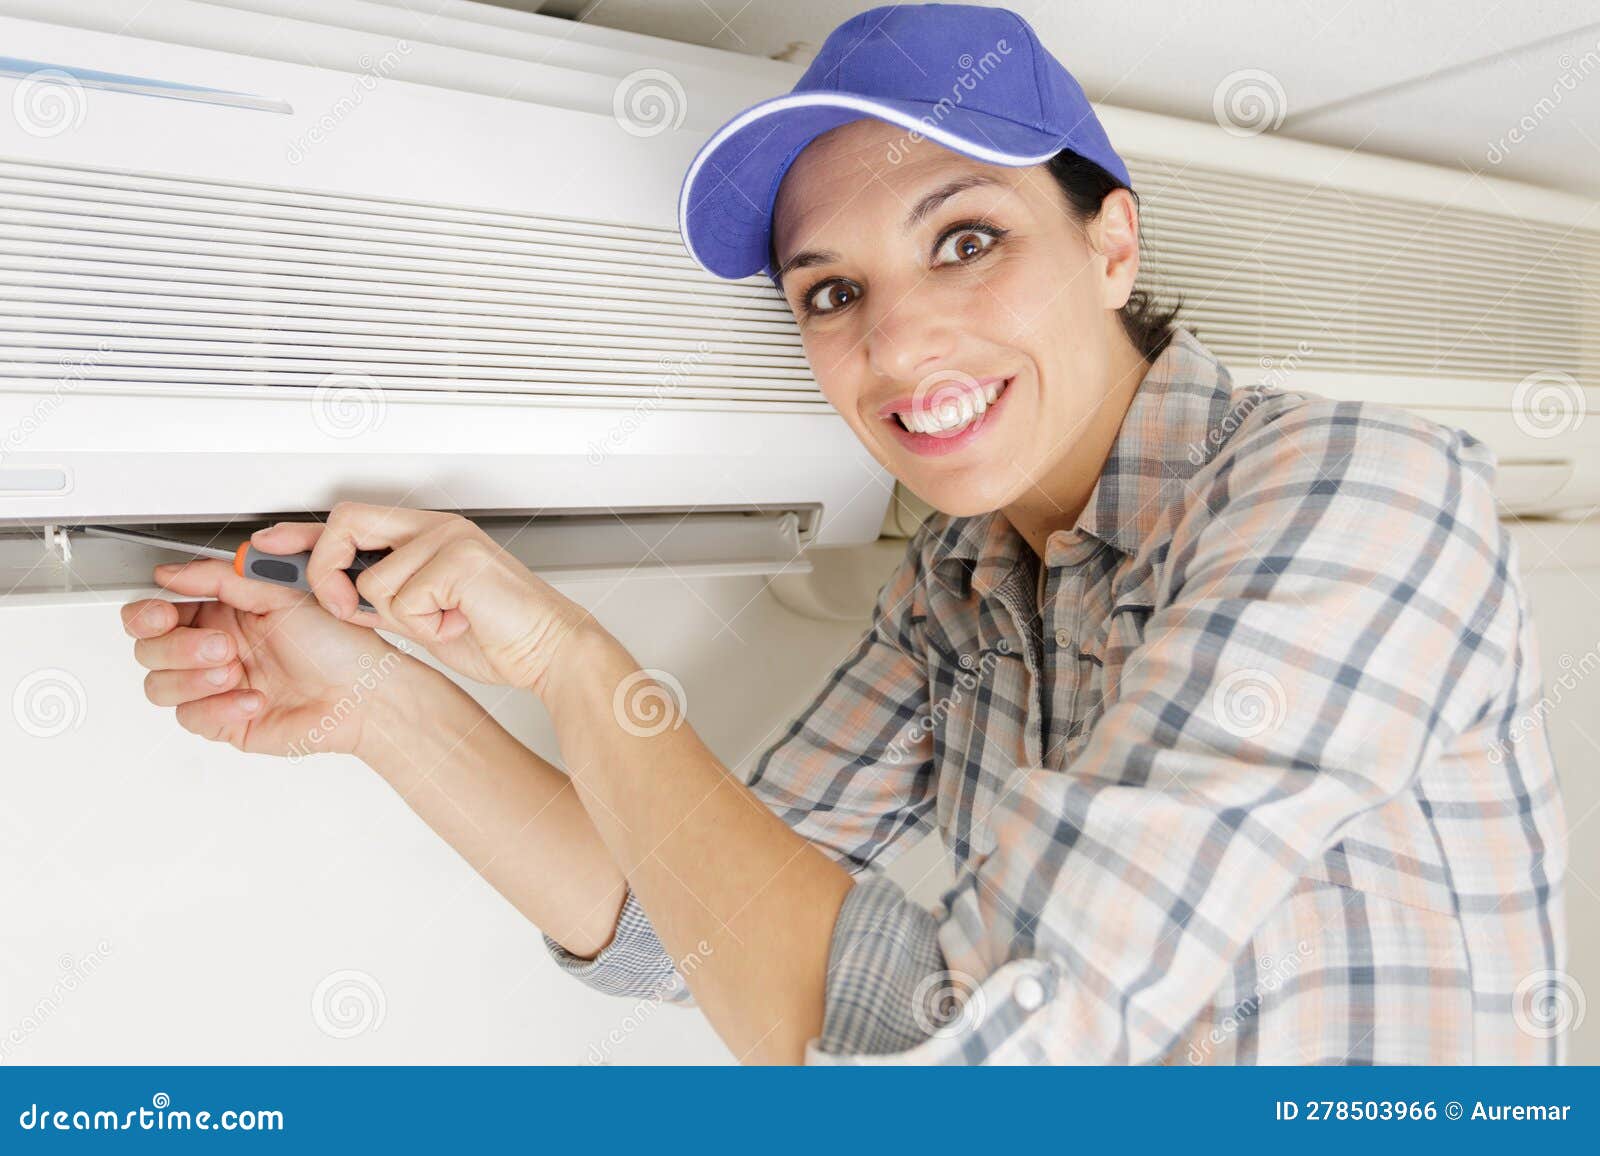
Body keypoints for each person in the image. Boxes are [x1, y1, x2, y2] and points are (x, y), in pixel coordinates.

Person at [119, 3, 1567, 1064]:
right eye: (831, 292)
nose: (897, 341)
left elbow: (986, 1062)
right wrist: (375, 702)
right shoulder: (960, 588)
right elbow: (674, 917)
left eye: (965, 240)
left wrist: (569, 659)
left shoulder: (1355, 496)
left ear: (1112, 242)